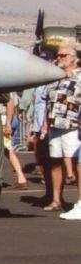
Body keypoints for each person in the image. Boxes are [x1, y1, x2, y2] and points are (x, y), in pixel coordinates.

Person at [41, 45, 79, 212]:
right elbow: (48, 103)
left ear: (73, 58)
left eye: (63, 55)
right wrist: (44, 124)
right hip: (55, 125)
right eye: (58, 55)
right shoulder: (55, 78)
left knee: (76, 163)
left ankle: (79, 202)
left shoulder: (79, 77)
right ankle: (56, 199)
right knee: (55, 162)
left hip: (73, 126)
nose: (59, 58)